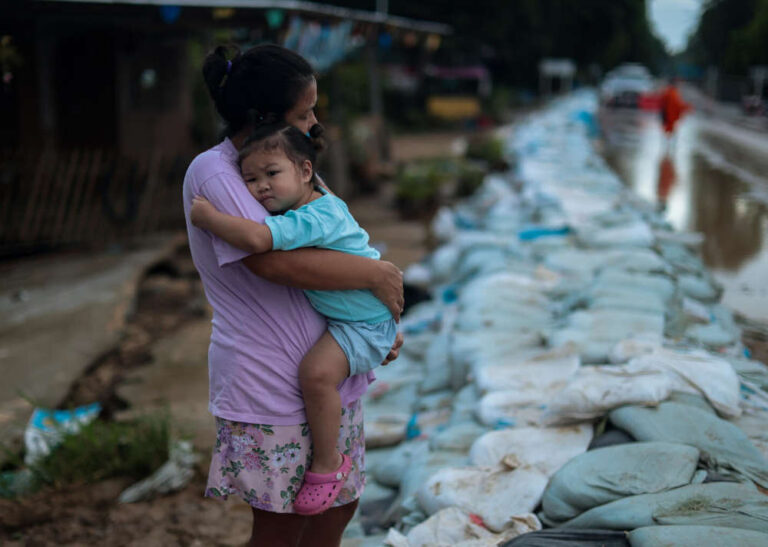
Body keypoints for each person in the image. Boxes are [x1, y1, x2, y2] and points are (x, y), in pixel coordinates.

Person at [183, 44, 404, 546]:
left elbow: (337, 237)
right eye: (304, 112)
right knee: (283, 527)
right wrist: (375, 276)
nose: (313, 122)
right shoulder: (219, 173)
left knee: (337, 508)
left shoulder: (289, 160)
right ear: (264, 117)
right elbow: (270, 261)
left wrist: (377, 321)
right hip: (270, 379)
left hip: (331, 367)